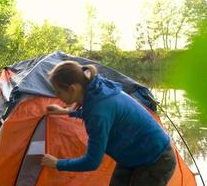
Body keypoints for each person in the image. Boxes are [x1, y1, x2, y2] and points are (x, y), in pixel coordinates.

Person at [41, 61, 176, 186]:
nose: (57, 96)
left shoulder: (98, 109)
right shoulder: (97, 88)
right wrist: (66, 111)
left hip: (157, 159)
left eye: (58, 92)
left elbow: (92, 162)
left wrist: (57, 163)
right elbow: (99, 113)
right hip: (134, 152)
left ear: (72, 89)